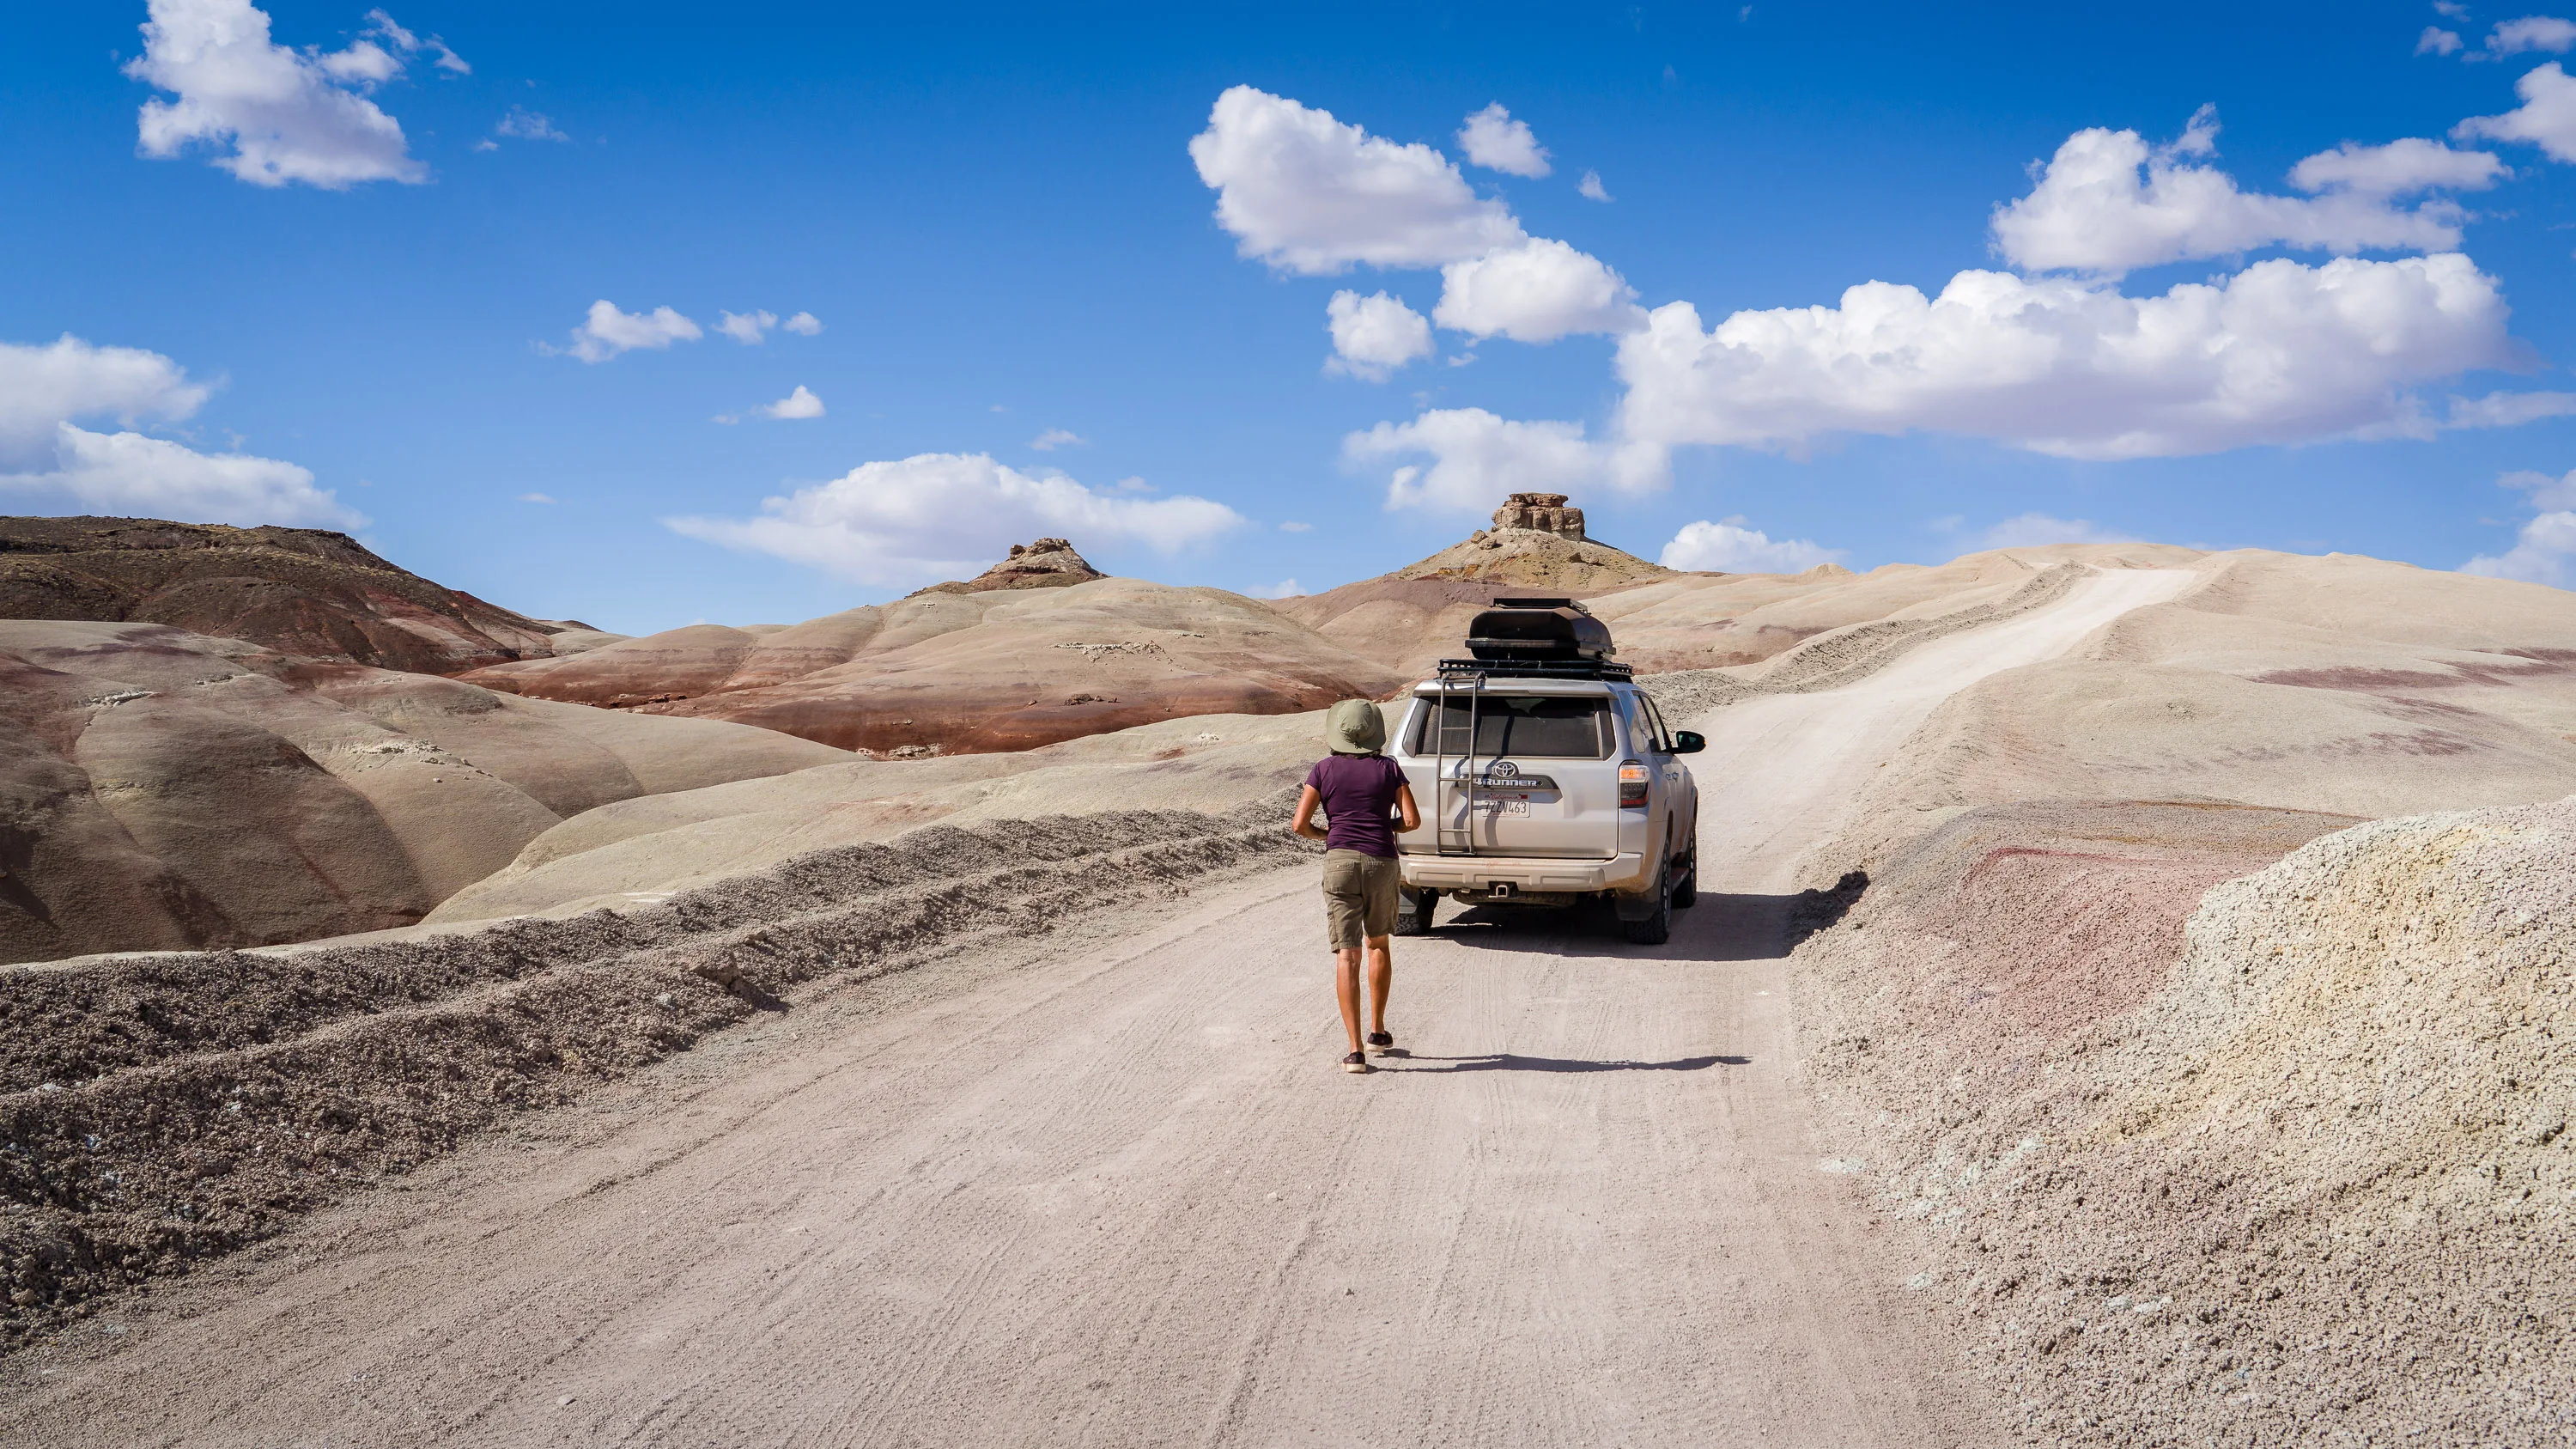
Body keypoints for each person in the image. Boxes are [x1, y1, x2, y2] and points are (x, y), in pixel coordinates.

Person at [1291, 699, 1421, 1074]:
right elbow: (1411, 821)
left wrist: (1328, 834)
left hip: (1340, 862)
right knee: (1378, 943)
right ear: (1374, 735)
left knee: (1346, 955)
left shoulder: (1323, 769)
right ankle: (1377, 1033)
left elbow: (1300, 824)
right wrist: (1384, 827)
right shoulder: (1389, 768)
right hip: (1382, 861)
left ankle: (1353, 1052)